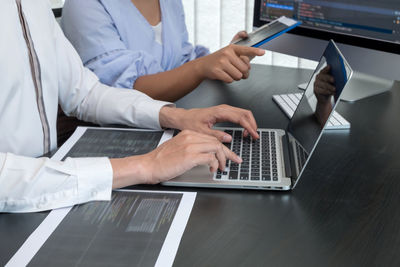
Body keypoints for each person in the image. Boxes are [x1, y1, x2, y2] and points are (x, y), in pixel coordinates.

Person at [0, 0, 262, 213]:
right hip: (22, 193)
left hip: (48, 180)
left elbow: (85, 93)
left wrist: (176, 116)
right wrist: (145, 166)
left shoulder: (31, 5)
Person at [61, 0, 264, 102]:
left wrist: (222, 60)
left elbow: (181, 62)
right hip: (119, 139)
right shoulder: (85, 5)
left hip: (173, 121)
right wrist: (201, 67)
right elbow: (122, 94)